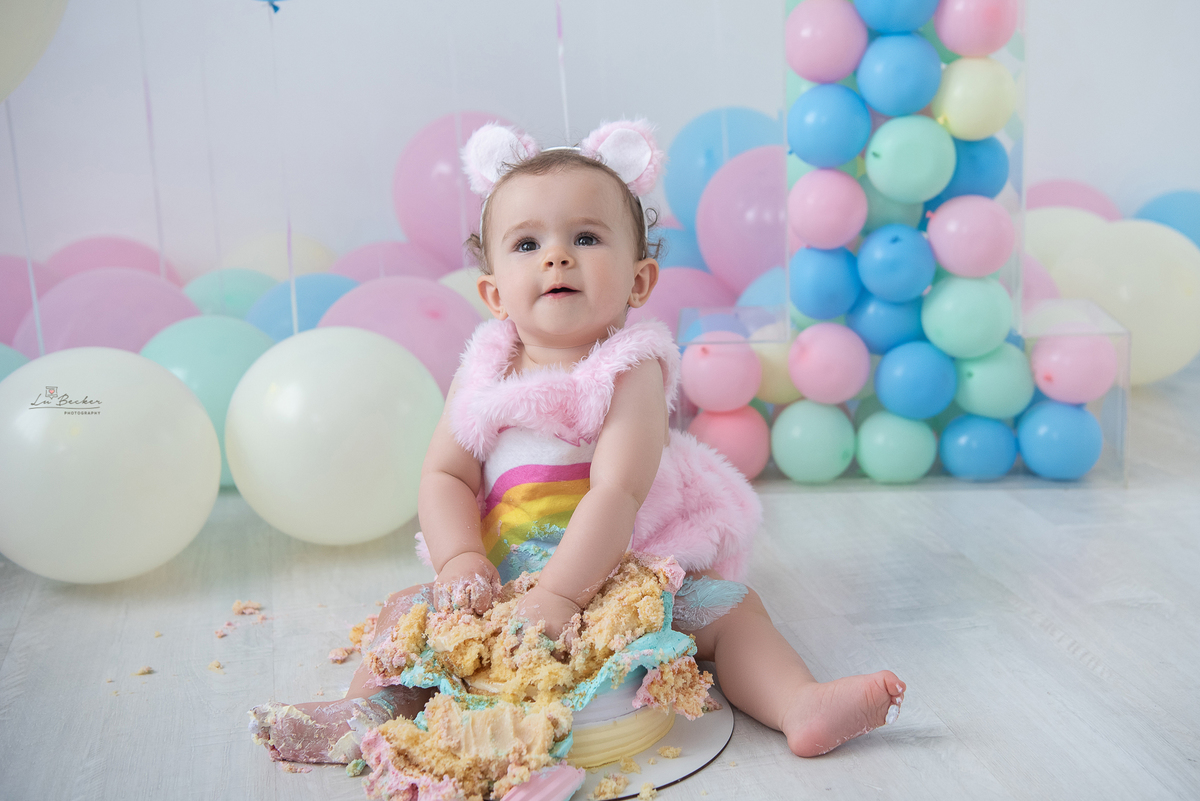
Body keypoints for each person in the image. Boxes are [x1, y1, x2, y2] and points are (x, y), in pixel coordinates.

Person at [250, 120, 904, 767]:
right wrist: (458, 560)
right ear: (493, 292)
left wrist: (563, 593)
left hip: (622, 573)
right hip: (501, 581)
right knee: (404, 614)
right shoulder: (484, 368)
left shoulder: (630, 368)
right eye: (527, 243)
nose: (556, 256)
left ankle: (796, 702)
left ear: (639, 282)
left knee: (732, 611)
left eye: (585, 237)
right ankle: (365, 712)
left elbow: (617, 490)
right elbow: (444, 475)